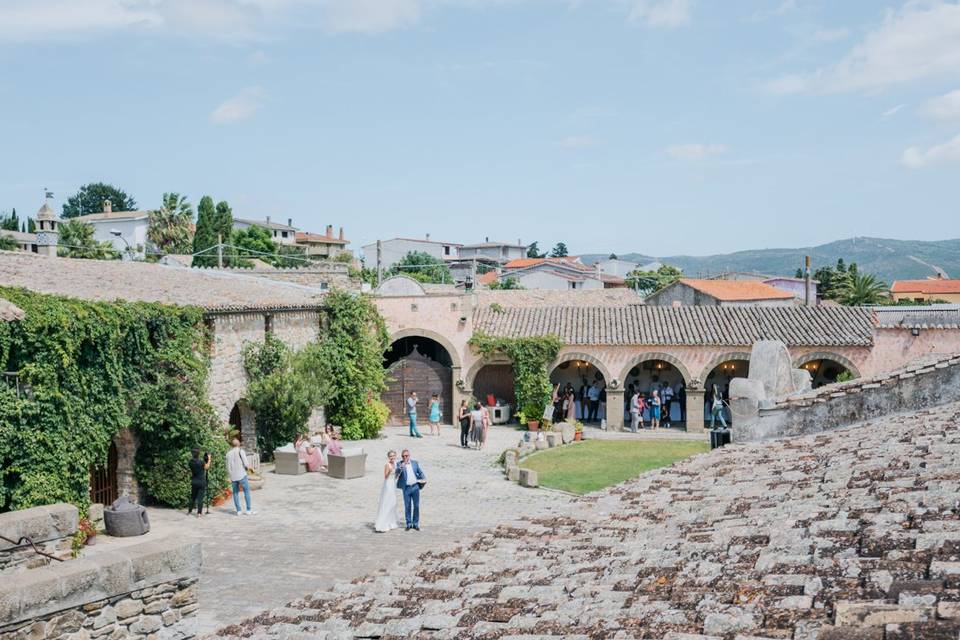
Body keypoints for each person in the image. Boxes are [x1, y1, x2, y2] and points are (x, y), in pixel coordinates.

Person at [395, 450, 426, 530]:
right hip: (406, 488)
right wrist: (401, 467)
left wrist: (424, 478)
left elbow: (420, 472)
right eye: (403, 456)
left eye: (406, 456)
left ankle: (415, 523)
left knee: (416, 506)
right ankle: (408, 523)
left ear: (409, 456)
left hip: (415, 487)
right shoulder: (399, 464)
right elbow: (396, 473)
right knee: (407, 506)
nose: (405, 457)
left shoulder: (415, 463)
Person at [226, 439, 256, 516]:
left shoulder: (228, 454)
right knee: (246, 492)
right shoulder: (240, 451)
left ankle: (238, 511)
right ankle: (248, 510)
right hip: (242, 475)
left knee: (235, 493)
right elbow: (246, 463)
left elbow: (228, 467)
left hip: (233, 476)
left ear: (232, 445)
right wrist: (251, 469)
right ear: (238, 444)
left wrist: (230, 475)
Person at [374, 451, 400, 533]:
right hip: (388, 484)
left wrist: (398, 473)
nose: (392, 457)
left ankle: (391, 522)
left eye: (393, 456)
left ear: (395, 456)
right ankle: (382, 524)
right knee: (387, 502)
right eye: (390, 456)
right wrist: (390, 470)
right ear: (388, 457)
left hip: (393, 484)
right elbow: (385, 476)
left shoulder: (396, 464)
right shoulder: (387, 465)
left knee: (393, 503)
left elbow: (395, 476)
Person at [187, 448, 210, 518]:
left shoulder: (190, 462)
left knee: (193, 497)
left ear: (192, 454)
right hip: (201, 481)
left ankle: (189, 511)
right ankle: (199, 513)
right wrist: (209, 459)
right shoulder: (201, 462)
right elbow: (207, 467)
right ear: (199, 454)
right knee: (200, 498)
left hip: (194, 481)